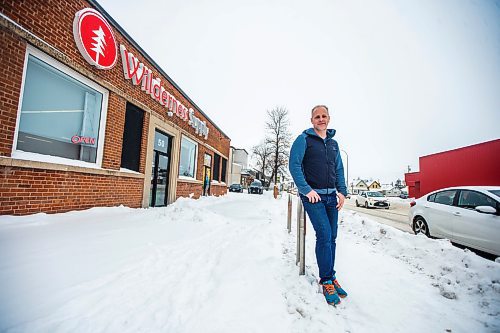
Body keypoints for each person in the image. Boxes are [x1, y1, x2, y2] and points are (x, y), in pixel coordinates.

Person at [289, 105, 348, 306]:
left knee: (332, 237)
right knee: (323, 234)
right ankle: (326, 281)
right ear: (312, 120)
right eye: (317, 116)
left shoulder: (333, 144)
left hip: (332, 196)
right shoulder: (303, 139)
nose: (321, 119)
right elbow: (294, 165)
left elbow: (339, 169)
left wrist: (342, 192)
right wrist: (306, 189)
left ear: (329, 119)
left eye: (324, 116)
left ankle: (331, 276)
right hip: (313, 197)